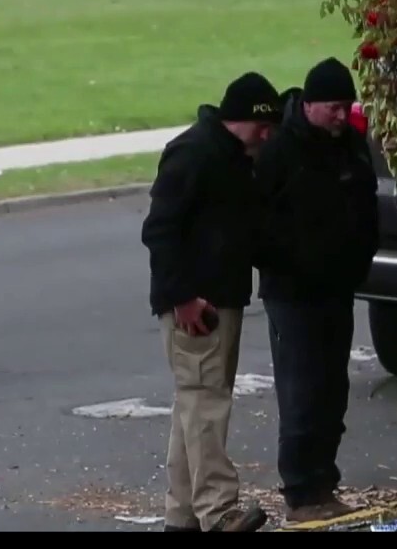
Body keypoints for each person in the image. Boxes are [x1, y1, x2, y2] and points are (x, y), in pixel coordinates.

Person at [140, 71, 283, 533]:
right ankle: (220, 511)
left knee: (194, 406)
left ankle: (182, 515)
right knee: (206, 402)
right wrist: (181, 297)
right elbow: (160, 230)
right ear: (252, 121)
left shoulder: (234, 158)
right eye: (267, 126)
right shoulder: (194, 153)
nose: (270, 136)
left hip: (220, 299)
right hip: (195, 306)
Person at [254, 57, 380, 523]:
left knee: (333, 389)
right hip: (292, 293)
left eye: (346, 106)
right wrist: (291, 261)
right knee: (302, 390)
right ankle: (302, 493)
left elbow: (367, 208)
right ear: (308, 106)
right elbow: (257, 223)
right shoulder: (281, 152)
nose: (341, 116)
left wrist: (358, 261)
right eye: (333, 107)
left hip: (337, 288)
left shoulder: (351, 148)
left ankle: (324, 482)